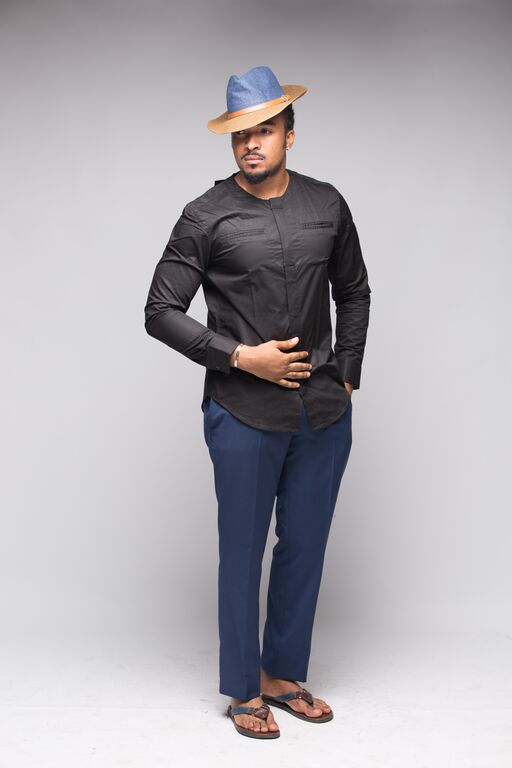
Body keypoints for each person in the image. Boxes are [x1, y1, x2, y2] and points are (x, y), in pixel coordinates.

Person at [144, 65, 371, 740]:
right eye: (241, 133)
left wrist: (348, 372)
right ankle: (244, 688)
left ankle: (282, 675)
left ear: (289, 135)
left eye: (265, 130)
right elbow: (160, 311)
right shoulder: (205, 214)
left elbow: (353, 290)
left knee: (306, 544)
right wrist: (243, 358)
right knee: (241, 551)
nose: (251, 144)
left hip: (322, 411)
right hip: (242, 411)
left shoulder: (327, 204)